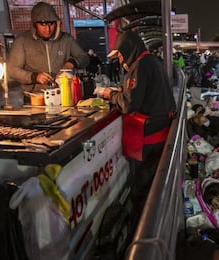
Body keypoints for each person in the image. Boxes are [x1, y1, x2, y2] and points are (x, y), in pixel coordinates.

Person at [95, 30, 176, 232]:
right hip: (158, 134)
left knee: (142, 190)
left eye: (120, 54)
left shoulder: (140, 66)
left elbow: (129, 104)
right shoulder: (150, 62)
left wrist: (109, 94)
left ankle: (140, 233)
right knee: (148, 187)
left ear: (129, 49)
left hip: (147, 140)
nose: (120, 59)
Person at [7, 2, 89, 93]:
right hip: (35, 96)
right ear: (35, 24)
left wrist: (71, 63)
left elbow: (84, 57)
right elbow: (12, 70)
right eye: (43, 25)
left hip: (64, 93)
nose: (47, 29)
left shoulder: (66, 39)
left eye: (51, 24)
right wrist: (34, 77)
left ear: (57, 23)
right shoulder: (22, 41)